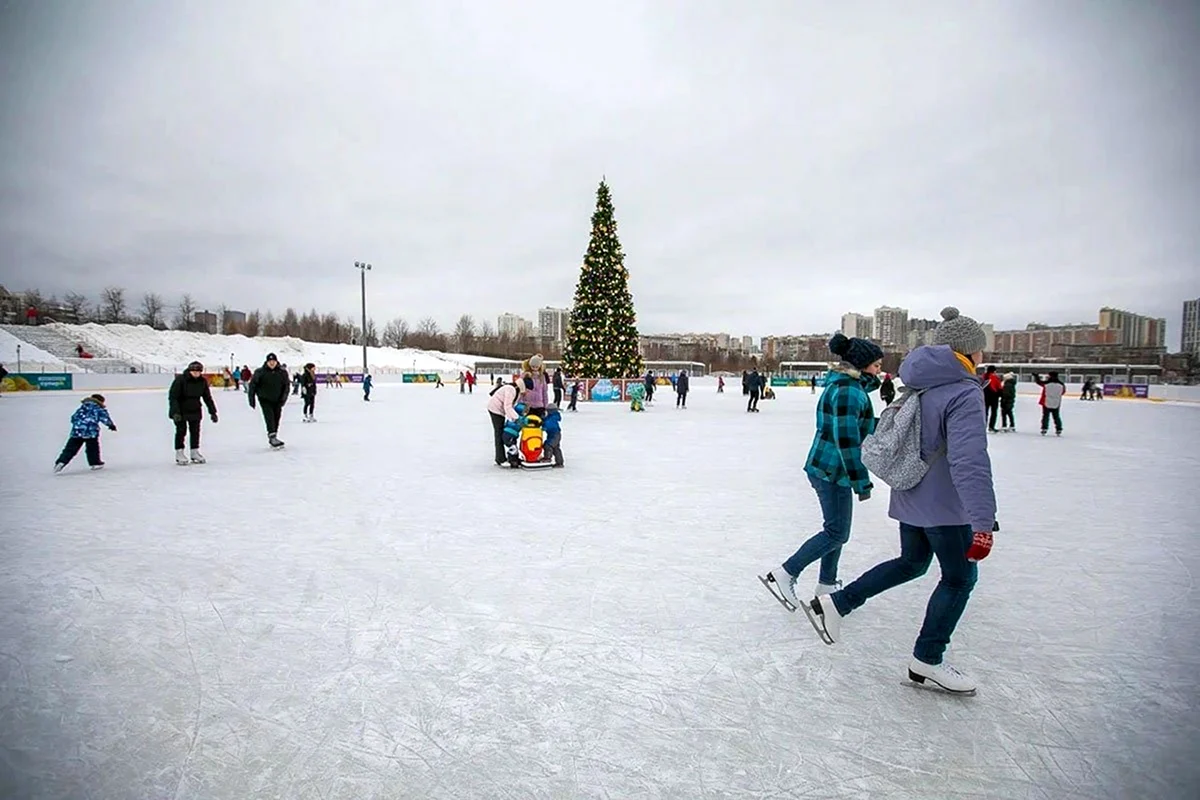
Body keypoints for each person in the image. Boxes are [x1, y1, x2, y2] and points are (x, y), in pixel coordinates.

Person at [798, 306, 997, 695]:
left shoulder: (920, 385)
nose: (982, 358)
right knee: (959, 578)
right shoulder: (963, 392)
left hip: (911, 496)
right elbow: (969, 460)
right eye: (980, 351)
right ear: (967, 352)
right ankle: (927, 661)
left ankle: (838, 603)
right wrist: (983, 520)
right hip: (945, 506)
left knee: (912, 562)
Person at [760, 333, 883, 607]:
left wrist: (880, 423)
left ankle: (827, 584)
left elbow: (852, 425)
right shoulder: (849, 391)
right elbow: (847, 439)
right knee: (837, 532)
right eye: (876, 365)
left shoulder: (849, 387)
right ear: (861, 364)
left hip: (829, 467)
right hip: (832, 469)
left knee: (835, 528)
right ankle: (786, 572)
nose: (879, 370)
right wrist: (861, 481)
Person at [168, 361, 218, 465]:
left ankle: (194, 452)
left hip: (195, 409)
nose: (196, 373)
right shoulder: (180, 380)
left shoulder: (202, 381)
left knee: (195, 432)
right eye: (194, 371)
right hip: (180, 410)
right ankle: (179, 452)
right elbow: (173, 397)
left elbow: (207, 397)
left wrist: (213, 412)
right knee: (181, 431)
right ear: (189, 370)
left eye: (198, 371)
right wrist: (175, 412)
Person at [54, 394, 116, 472]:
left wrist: (78, 425)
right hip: (91, 432)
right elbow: (105, 418)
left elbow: (73, 418)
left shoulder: (82, 408)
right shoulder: (98, 408)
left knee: (70, 449)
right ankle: (95, 463)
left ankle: (61, 462)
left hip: (77, 432)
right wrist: (111, 425)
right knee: (92, 448)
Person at [248, 353, 289, 448]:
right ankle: (272, 436)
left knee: (276, 417)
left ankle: (273, 435)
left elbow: (286, 386)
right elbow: (252, 385)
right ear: (267, 362)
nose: (272, 363)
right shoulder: (260, 372)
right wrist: (252, 399)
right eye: (270, 361)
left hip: (278, 399)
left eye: (273, 361)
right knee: (269, 417)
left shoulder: (282, 372)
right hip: (265, 399)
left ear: (276, 361)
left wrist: (283, 398)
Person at [487, 380, 527, 467]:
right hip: (495, 410)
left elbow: (510, 407)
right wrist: (517, 418)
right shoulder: (511, 390)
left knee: (500, 433)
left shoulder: (513, 390)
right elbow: (507, 406)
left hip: (499, 410)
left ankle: (503, 457)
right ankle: (500, 459)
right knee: (499, 433)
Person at [1035, 371, 1066, 436]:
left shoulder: (1046, 384)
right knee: (1056, 416)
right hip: (1056, 402)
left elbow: (1039, 382)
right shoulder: (1061, 384)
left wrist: (1036, 377)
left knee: (1045, 416)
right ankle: (1059, 429)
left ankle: (1044, 428)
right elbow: (1063, 392)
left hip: (1046, 402)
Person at [522, 355, 549, 419]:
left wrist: (545, 405)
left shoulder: (542, 377)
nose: (534, 368)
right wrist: (521, 403)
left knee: (538, 425)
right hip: (528, 405)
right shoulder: (525, 376)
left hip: (539, 405)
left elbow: (544, 392)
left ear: (539, 367)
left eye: (536, 367)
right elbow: (521, 390)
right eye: (533, 366)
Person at [542, 402, 564, 467]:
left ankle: (547, 458)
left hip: (554, 435)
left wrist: (544, 427)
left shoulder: (552, 418)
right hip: (555, 435)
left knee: (548, 445)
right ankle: (559, 462)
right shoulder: (552, 416)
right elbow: (547, 420)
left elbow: (550, 425)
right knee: (556, 448)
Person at [981, 365, 1002, 433]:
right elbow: (999, 387)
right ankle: (991, 427)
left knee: (985, 413)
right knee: (994, 412)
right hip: (993, 397)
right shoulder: (995, 377)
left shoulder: (983, 377)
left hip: (984, 396)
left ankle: (983, 427)